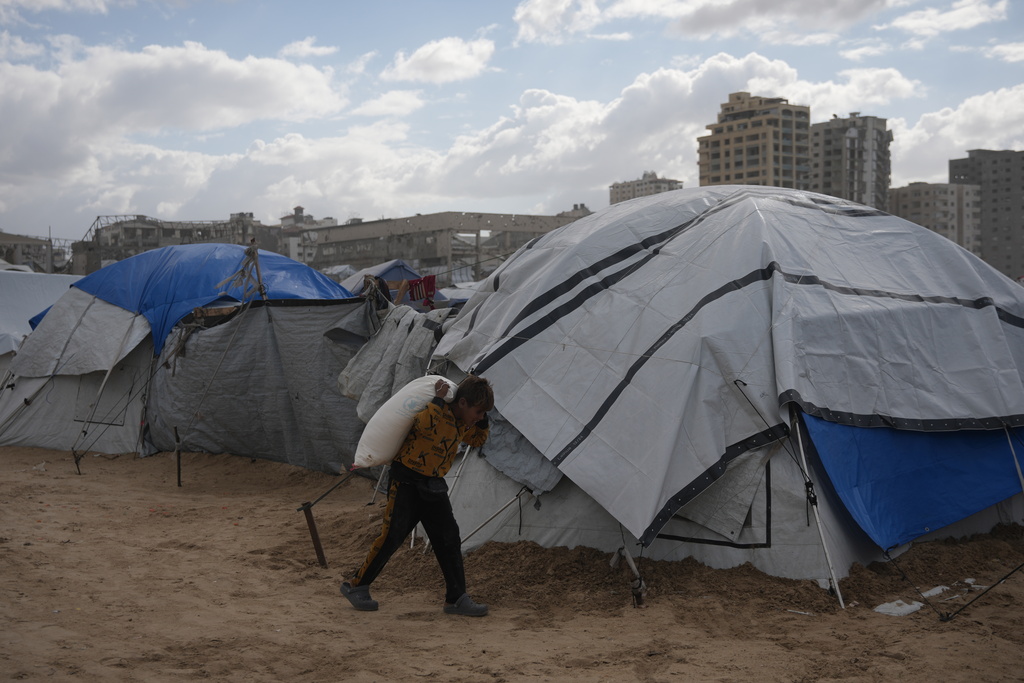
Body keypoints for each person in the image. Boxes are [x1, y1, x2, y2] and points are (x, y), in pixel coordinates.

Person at [341, 374, 494, 616]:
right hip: (406, 481)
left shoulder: (462, 423)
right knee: (393, 535)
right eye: (478, 411)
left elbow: (477, 440)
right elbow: (422, 425)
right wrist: (438, 401)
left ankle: (456, 598)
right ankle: (356, 585)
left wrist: (483, 421)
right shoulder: (437, 411)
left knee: (449, 539)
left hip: (433, 485)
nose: (479, 417)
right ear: (462, 403)